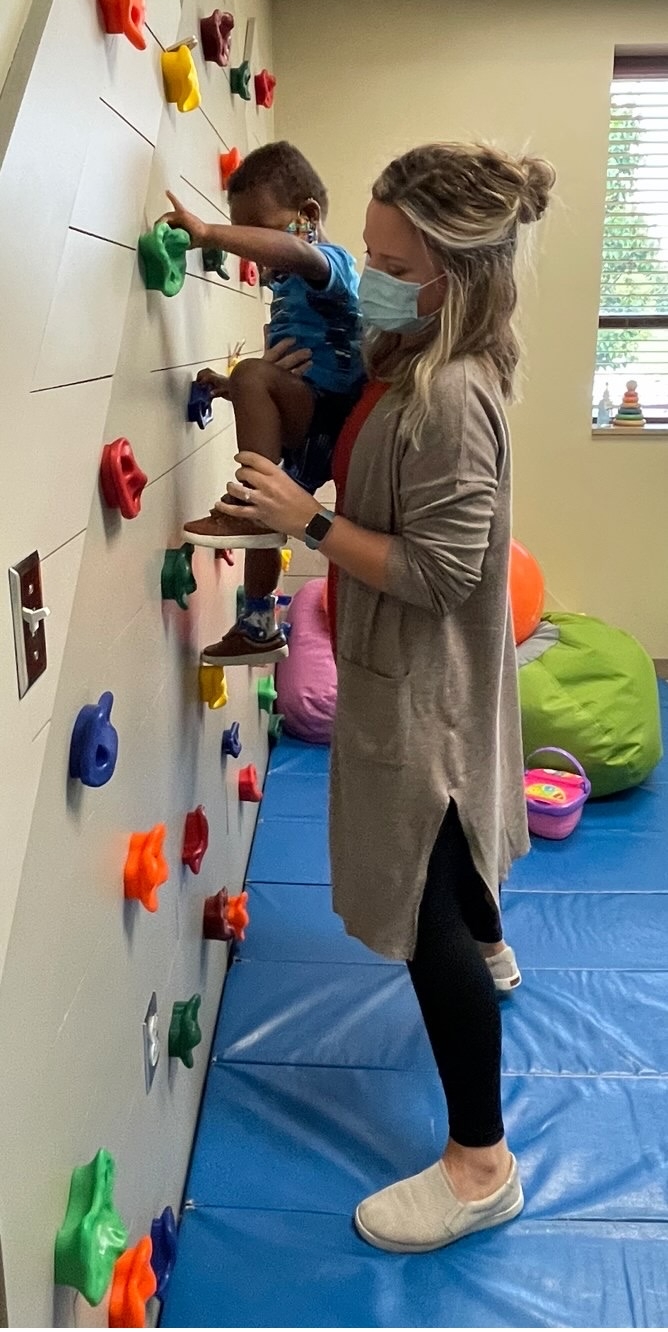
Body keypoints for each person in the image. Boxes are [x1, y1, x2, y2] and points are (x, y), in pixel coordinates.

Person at [220, 140, 555, 1253]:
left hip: (423, 683)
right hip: (410, 675)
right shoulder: (407, 354)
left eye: (384, 258)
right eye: (365, 252)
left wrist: (304, 526)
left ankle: (479, 1164)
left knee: (424, 905)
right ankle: (492, 941)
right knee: (450, 850)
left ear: (449, 275)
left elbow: (439, 573)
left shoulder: (451, 395)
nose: (363, 274)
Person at [160, 141, 364, 667]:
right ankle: (258, 627)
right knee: (268, 523)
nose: (254, 254)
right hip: (311, 411)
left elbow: (296, 252)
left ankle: (251, 508)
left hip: (329, 416)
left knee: (253, 383)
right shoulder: (292, 291)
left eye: (260, 235)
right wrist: (235, 389)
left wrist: (208, 234)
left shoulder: (327, 264)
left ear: (308, 218)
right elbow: (291, 367)